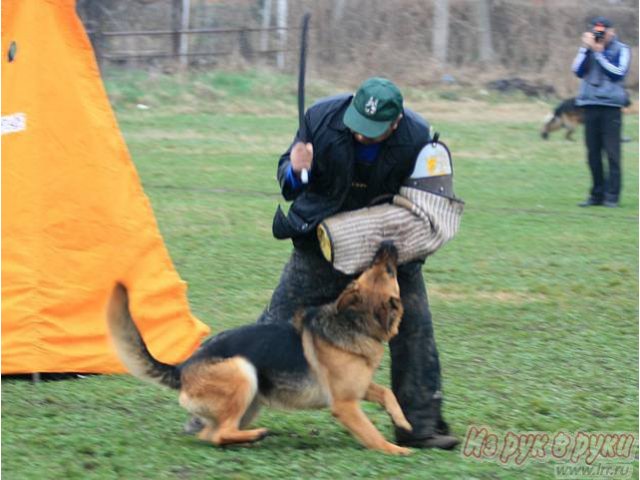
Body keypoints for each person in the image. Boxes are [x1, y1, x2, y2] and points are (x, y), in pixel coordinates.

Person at [259, 77, 459, 450]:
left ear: (395, 123)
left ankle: (421, 426)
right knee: (278, 321)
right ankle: (227, 403)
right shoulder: (320, 117)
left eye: (373, 132)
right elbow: (289, 183)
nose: (362, 137)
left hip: (388, 247)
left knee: (414, 326)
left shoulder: (419, 139)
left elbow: (428, 201)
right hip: (322, 239)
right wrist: (297, 170)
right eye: (358, 128)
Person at [572, 16, 630, 208]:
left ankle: (612, 197)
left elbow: (617, 73)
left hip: (611, 108)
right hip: (590, 105)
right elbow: (577, 71)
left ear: (611, 32)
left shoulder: (622, 49)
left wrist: (599, 53)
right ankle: (596, 195)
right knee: (593, 153)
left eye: (603, 32)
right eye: (596, 32)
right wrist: (586, 48)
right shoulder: (588, 49)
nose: (600, 35)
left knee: (612, 154)